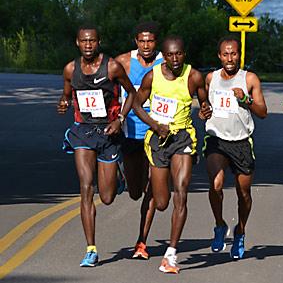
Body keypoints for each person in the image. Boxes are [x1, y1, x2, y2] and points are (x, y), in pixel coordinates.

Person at [57, 25, 136, 267]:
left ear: (98, 42)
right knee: (85, 186)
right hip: (82, 131)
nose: (88, 45)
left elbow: (132, 94)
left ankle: (118, 178)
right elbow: (67, 95)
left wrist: (120, 119)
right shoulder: (71, 69)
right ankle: (91, 248)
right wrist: (63, 103)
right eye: (84, 41)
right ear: (77, 43)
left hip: (108, 131)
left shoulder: (112, 66)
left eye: (92, 41)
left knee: (108, 196)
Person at [132, 36, 208, 274]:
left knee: (182, 192)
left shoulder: (194, 76)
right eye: (170, 55)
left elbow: (205, 102)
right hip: (157, 140)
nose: (175, 59)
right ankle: (144, 233)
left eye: (179, 54)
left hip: (183, 138)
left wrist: (206, 110)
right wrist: (154, 125)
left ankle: (171, 255)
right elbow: (135, 104)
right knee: (162, 202)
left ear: (185, 53)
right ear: (163, 56)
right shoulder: (152, 76)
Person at [199, 36, 267, 260]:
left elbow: (262, 112)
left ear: (239, 55)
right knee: (216, 183)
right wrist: (203, 113)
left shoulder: (249, 79)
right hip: (216, 140)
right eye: (225, 54)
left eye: (234, 54)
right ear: (219, 56)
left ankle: (240, 231)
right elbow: (204, 106)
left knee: (243, 194)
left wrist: (245, 99)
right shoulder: (210, 78)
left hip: (241, 142)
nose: (230, 58)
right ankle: (219, 225)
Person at [115, 21, 163, 260]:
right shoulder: (123, 62)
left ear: (157, 41)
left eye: (151, 41)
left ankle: (141, 242)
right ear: (136, 41)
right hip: (130, 132)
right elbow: (107, 85)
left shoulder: (166, 63)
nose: (146, 45)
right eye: (142, 41)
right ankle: (122, 176)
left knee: (153, 189)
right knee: (136, 192)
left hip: (156, 134)